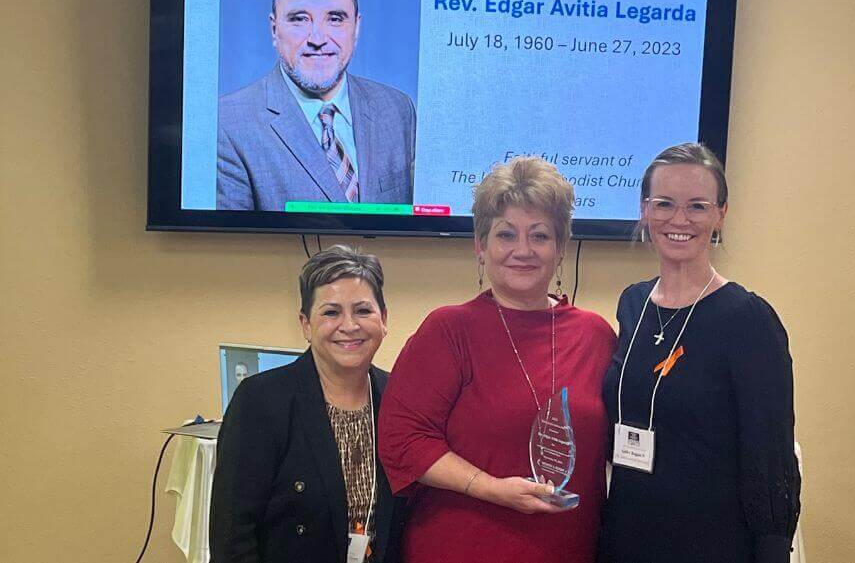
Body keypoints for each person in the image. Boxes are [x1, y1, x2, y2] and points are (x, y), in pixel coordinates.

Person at [377, 157, 616, 563]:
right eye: (506, 234)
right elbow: (403, 440)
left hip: (568, 549)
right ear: (480, 246)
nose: (523, 250)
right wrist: (492, 488)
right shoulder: (448, 331)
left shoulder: (595, 336)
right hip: (460, 548)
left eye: (539, 235)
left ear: (560, 248)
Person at [599, 143, 801, 563]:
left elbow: (770, 460)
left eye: (697, 206)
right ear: (644, 210)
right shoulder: (633, 304)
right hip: (627, 534)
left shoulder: (748, 320)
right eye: (664, 204)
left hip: (712, 542)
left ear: (720, 214)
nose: (679, 220)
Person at [210, 245, 406, 563]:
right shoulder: (260, 401)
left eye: (363, 310)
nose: (349, 325)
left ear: (383, 319)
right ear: (305, 324)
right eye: (331, 312)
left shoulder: (400, 398)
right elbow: (233, 536)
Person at [217, 0, 416, 210]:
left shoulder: (398, 109)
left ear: (356, 28)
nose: (318, 38)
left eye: (335, 18)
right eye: (300, 18)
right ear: (274, 29)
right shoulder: (226, 123)